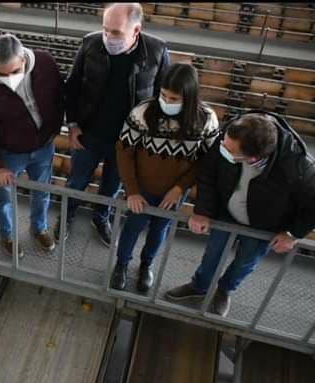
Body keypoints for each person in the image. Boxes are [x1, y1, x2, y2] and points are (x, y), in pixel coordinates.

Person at [165, 112, 315, 316]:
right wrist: (202, 212)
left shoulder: (298, 166)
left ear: (253, 158)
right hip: (226, 212)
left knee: (245, 261)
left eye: (228, 150)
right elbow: (208, 173)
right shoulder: (230, 135)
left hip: (264, 224)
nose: (221, 148)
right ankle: (199, 285)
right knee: (213, 252)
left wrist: (293, 234)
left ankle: (225, 290)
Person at [60, 2, 170, 246]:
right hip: (89, 134)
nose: (108, 37)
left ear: (136, 31)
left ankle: (101, 216)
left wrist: (147, 138)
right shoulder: (90, 43)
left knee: (112, 185)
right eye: (105, 29)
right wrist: (73, 124)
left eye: (116, 32)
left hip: (128, 142)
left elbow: (163, 98)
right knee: (76, 181)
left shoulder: (157, 51)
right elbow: (73, 85)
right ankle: (66, 215)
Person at [110, 63, 219, 292]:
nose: (166, 102)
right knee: (132, 226)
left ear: (189, 97)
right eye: (163, 95)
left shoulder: (207, 120)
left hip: (173, 191)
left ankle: (146, 265)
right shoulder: (143, 112)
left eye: (174, 98)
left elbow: (206, 161)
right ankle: (121, 264)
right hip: (142, 187)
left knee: (160, 229)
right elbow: (124, 151)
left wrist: (180, 187)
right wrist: (132, 190)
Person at [0, 33, 64, 258]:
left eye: (14, 72)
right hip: (9, 153)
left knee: (42, 192)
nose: (8, 79)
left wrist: (55, 128)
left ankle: (38, 227)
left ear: (23, 59)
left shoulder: (45, 63)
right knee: (4, 198)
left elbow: (60, 96)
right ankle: (7, 236)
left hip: (43, 146)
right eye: (1, 75)